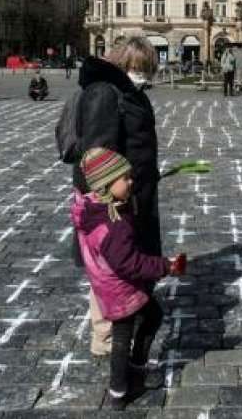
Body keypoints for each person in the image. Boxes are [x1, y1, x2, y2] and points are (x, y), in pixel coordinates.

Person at [68, 37, 161, 358]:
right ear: (126, 65)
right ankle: (106, 338)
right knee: (111, 266)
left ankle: (118, 326)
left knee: (122, 262)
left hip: (132, 194)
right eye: (142, 69)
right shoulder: (105, 94)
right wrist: (112, 196)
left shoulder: (125, 92)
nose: (146, 76)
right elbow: (97, 155)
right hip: (115, 201)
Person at [72, 148, 184, 410]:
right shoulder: (113, 225)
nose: (131, 182)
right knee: (124, 337)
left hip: (109, 283)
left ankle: (128, 376)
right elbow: (130, 264)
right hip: (121, 288)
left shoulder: (95, 208)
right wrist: (166, 266)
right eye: (125, 178)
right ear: (106, 185)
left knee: (149, 318)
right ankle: (121, 389)